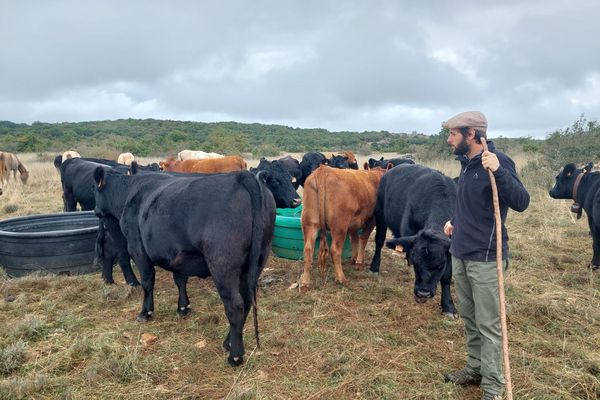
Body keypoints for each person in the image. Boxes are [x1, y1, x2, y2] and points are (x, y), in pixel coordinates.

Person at [442, 111, 530, 400]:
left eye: (453, 133)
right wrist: (455, 220)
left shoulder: (497, 161)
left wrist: (499, 172)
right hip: (461, 251)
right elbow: (470, 203)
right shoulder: (466, 165)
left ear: (471, 134)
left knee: (489, 324)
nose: (449, 138)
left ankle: (492, 388)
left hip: (486, 257)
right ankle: (475, 368)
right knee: (469, 316)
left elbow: (521, 202)